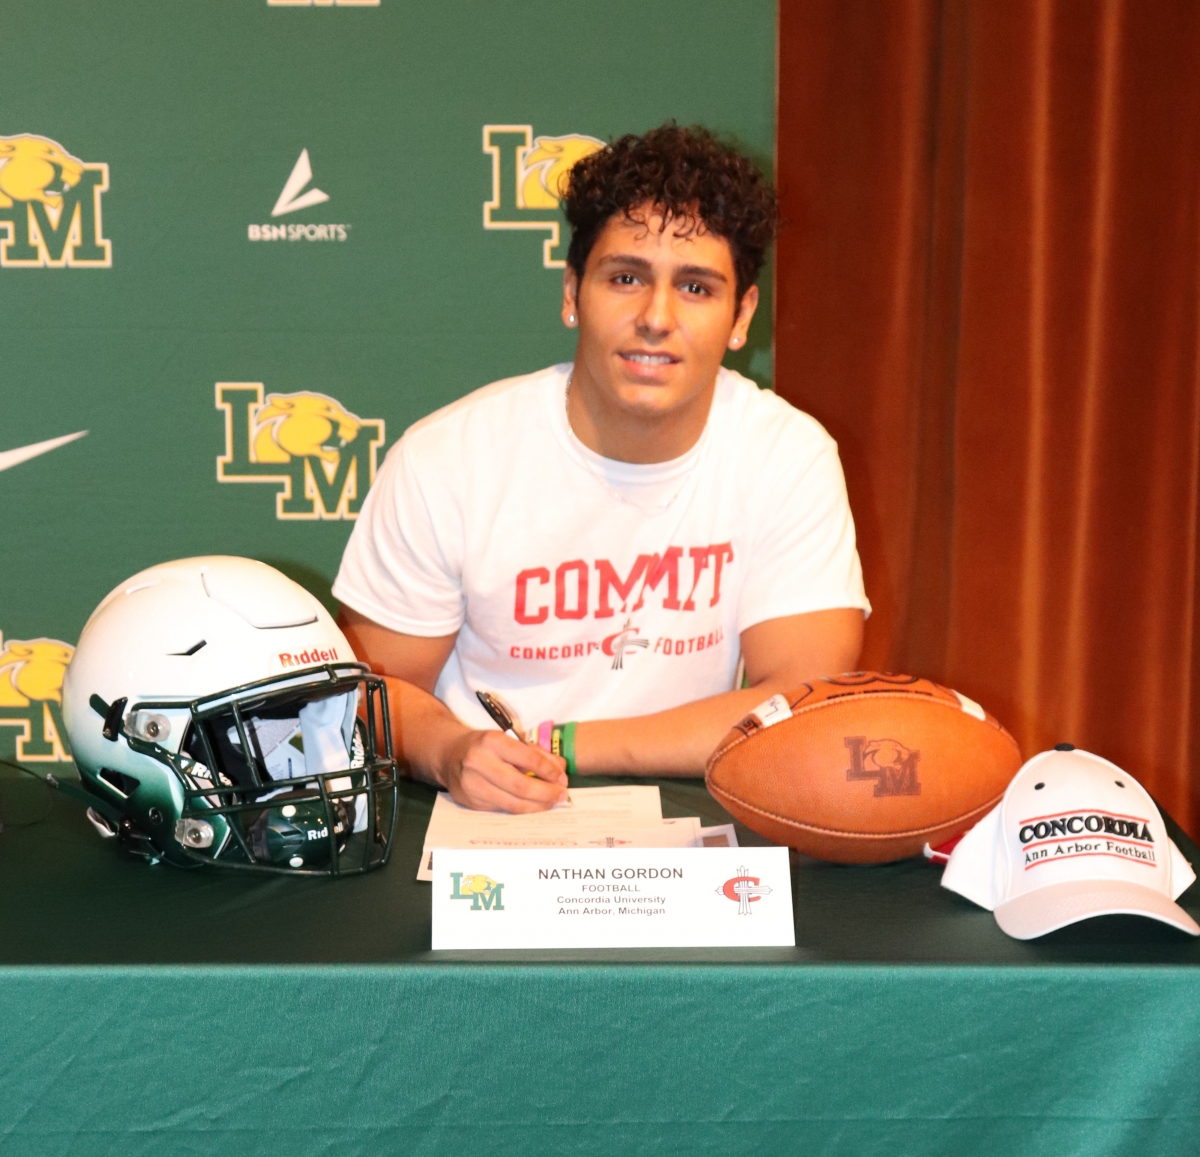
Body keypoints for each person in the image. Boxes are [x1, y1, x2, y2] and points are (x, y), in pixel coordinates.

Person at [333, 123, 869, 813]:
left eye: (696, 287)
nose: (656, 317)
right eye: (626, 278)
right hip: (484, 813)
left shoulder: (787, 456)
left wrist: (562, 743)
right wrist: (450, 751)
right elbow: (371, 692)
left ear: (742, 315)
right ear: (571, 292)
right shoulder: (446, 460)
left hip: (691, 809)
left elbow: (799, 702)